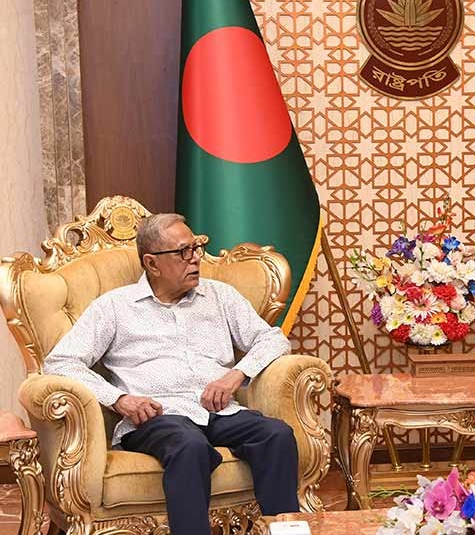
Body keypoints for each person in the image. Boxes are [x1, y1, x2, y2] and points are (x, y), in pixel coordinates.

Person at [44, 213, 300, 534]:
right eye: (183, 252)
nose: (195, 259)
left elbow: (273, 338)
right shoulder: (114, 308)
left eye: (196, 248)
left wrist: (236, 374)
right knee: (188, 446)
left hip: (218, 411)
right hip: (160, 417)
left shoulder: (219, 296)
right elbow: (60, 362)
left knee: (276, 435)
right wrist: (119, 399)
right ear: (152, 264)